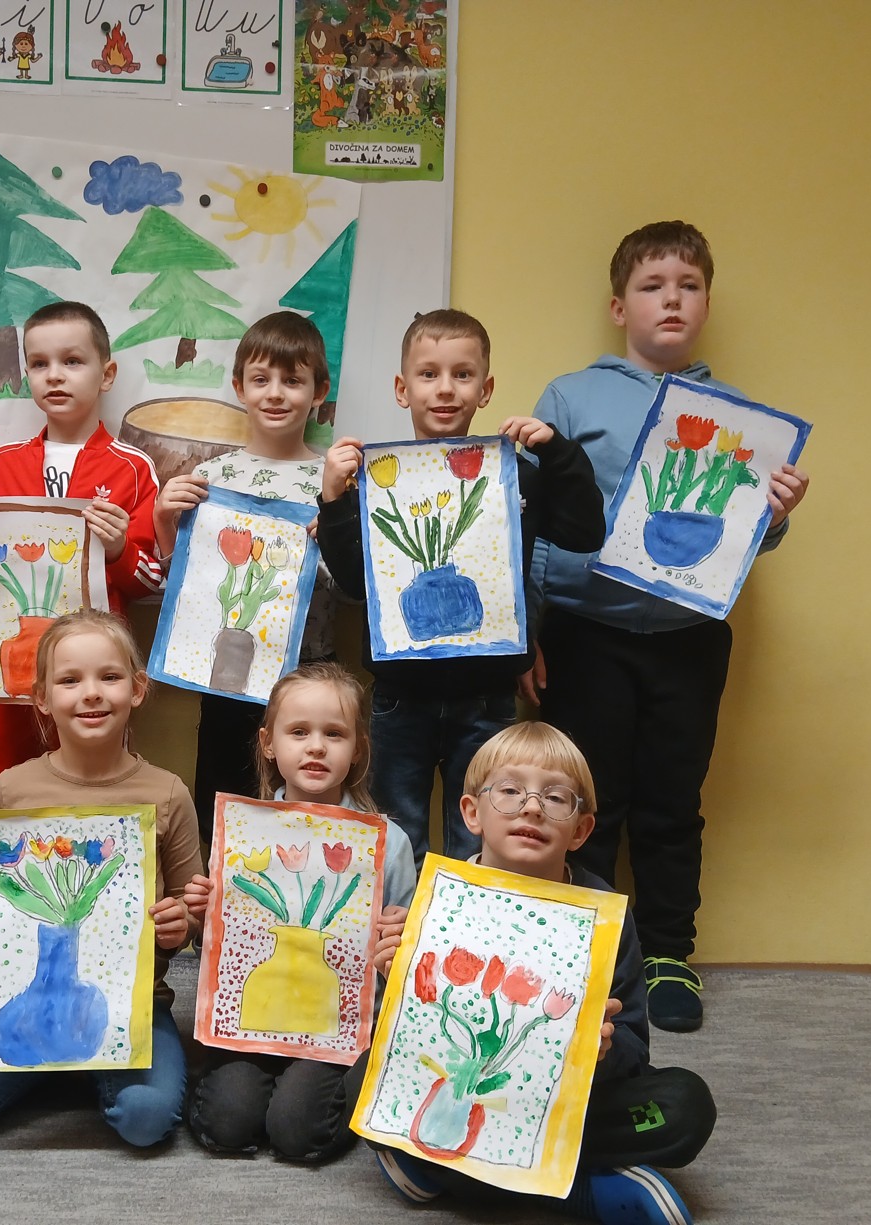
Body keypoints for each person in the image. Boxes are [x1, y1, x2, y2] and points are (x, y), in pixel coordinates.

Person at [529, 221, 810, 1032]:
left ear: (706, 304)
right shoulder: (571, 396)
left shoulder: (738, 417)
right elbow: (530, 520)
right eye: (652, 286)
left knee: (670, 800)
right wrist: (530, 633)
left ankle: (666, 954)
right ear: (620, 306)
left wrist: (775, 514)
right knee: (583, 799)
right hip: (583, 632)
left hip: (687, 640)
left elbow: (741, 538)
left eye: (687, 286)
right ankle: (581, 951)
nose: (671, 300)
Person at [370, 722, 716, 1225]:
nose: (531, 807)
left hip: (561, 1101)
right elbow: (408, 1041)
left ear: (581, 830)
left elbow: (634, 1048)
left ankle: (433, 1168)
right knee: (365, 1077)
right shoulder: (438, 898)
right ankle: (582, 1191)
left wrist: (602, 1050)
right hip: (463, 1094)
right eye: (510, 791)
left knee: (683, 1107)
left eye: (555, 798)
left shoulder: (604, 915)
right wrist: (394, 972)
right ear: (472, 813)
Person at [0, 610, 201, 1150]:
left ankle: (69, 1070)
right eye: (69, 680)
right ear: (41, 697)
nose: (91, 693)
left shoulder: (168, 792)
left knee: (146, 1120)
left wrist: (181, 923)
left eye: (109, 677)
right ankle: (50, 1064)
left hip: (134, 1007)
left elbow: (192, 907)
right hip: (26, 1000)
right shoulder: (13, 788)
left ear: (137, 689)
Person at [318, 308, 604, 869]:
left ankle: (467, 928)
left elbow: (585, 531)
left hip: (488, 695)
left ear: (485, 389)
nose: (445, 388)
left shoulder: (517, 475)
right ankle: (399, 930)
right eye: (428, 374)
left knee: (482, 840)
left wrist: (557, 453)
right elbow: (353, 584)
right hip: (400, 696)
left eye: (463, 374)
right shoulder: (373, 482)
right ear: (402, 389)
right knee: (395, 837)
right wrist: (333, 500)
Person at [0, 303, 162, 839]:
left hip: (96, 673)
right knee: (6, 787)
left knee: (97, 789)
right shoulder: (0, 464)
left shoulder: (132, 466)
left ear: (106, 374)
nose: (55, 375)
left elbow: (151, 579)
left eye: (72, 361)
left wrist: (120, 548)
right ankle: (0, 876)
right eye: (39, 363)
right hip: (14, 668)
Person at [182, 662, 415, 1161]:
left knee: (298, 1132)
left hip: (337, 1029)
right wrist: (204, 921)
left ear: (358, 749)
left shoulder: (388, 843)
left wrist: (402, 940)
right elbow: (220, 957)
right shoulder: (243, 834)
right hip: (254, 1022)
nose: (316, 747)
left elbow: (403, 968)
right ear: (269, 743)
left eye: (334, 734)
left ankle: (367, 1072)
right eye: (299, 732)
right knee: (228, 1123)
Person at [154, 311, 343, 843]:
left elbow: (353, 585)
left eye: (293, 380)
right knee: (223, 809)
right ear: (239, 387)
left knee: (308, 815)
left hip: (310, 673)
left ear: (319, 392)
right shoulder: (210, 477)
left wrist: (333, 530)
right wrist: (164, 520)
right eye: (261, 379)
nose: (275, 393)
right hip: (228, 673)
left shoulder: (332, 480)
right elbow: (185, 586)